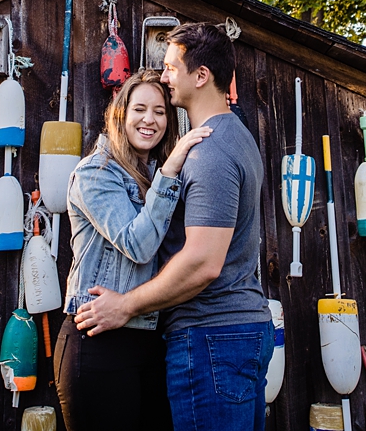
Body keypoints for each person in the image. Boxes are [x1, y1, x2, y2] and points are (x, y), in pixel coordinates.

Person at [75, 22, 273, 431]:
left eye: (170, 67)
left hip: (211, 336)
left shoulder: (209, 151)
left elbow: (202, 264)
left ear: (201, 76)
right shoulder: (234, 138)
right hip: (222, 335)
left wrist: (126, 305)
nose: (165, 76)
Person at [55, 69, 213, 431]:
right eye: (140, 109)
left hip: (150, 336)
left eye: (160, 111)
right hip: (97, 340)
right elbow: (138, 245)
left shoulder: (150, 175)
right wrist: (172, 167)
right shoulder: (96, 173)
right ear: (120, 114)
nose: (149, 120)